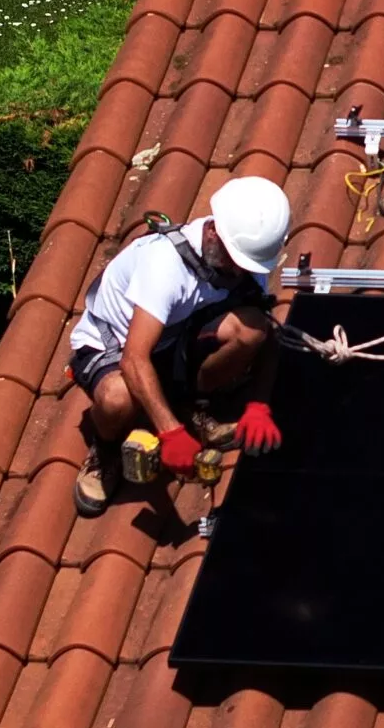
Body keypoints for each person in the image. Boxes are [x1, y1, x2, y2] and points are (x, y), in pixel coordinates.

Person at [67, 176, 292, 517]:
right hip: (113, 346)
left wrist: (258, 405)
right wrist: (170, 434)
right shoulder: (164, 267)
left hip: (173, 339)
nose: (238, 270)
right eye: (235, 260)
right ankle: (105, 453)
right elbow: (134, 359)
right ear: (214, 232)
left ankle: (192, 407)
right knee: (118, 399)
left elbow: (266, 333)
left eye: (244, 264)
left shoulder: (243, 259)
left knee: (252, 328)